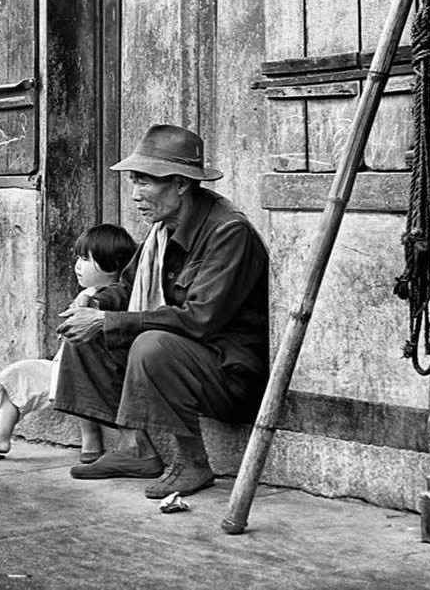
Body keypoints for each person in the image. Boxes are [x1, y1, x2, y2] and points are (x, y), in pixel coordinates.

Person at [53, 123, 269, 501]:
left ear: (181, 184)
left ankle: (192, 463)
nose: (135, 195)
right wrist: (95, 302)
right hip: (188, 359)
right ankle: (137, 448)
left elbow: (199, 319)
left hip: (228, 375)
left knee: (152, 345)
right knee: (83, 335)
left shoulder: (228, 233)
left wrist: (108, 321)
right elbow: (128, 287)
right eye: (134, 182)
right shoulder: (162, 231)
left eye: (145, 183)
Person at [0, 224, 137, 462]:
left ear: (114, 265)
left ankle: (91, 438)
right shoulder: (86, 293)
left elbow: (110, 303)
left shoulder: (116, 294)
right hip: (60, 367)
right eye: (78, 257)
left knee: (79, 373)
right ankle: (0, 436)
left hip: (95, 371)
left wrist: (88, 303)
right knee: (17, 374)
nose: (78, 264)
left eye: (86, 259)